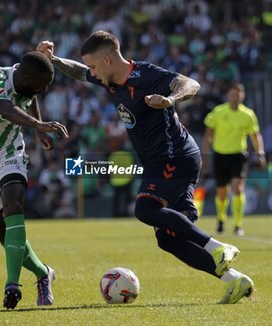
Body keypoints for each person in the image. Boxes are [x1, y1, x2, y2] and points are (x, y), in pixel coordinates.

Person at [37, 31, 254, 304]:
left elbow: (191, 83)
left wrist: (170, 100)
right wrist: (53, 59)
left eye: (94, 66)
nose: (92, 72)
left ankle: (218, 247)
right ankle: (234, 280)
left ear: (106, 59)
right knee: (168, 240)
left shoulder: (146, 75)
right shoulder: (109, 79)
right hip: (159, 161)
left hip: (175, 156)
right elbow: (80, 72)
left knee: (145, 208)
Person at [0, 51, 69, 310]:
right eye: (40, 86)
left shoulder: (26, 82)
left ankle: (12, 284)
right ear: (26, 77)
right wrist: (39, 125)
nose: (43, 91)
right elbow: (6, 109)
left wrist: (36, 128)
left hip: (10, 154)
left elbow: (29, 97)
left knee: (13, 204)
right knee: (0, 229)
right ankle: (43, 272)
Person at [202, 82, 266, 236]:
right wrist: (204, 156)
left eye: (238, 94)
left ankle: (238, 225)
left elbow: (255, 135)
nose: (235, 96)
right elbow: (208, 135)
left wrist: (260, 153)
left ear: (242, 96)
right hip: (220, 154)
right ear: (228, 95)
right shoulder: (218, 111)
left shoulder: (248, 114)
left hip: (238, 155)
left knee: (238, 188)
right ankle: (221, 220)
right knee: (222, 192)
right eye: (233, 93)